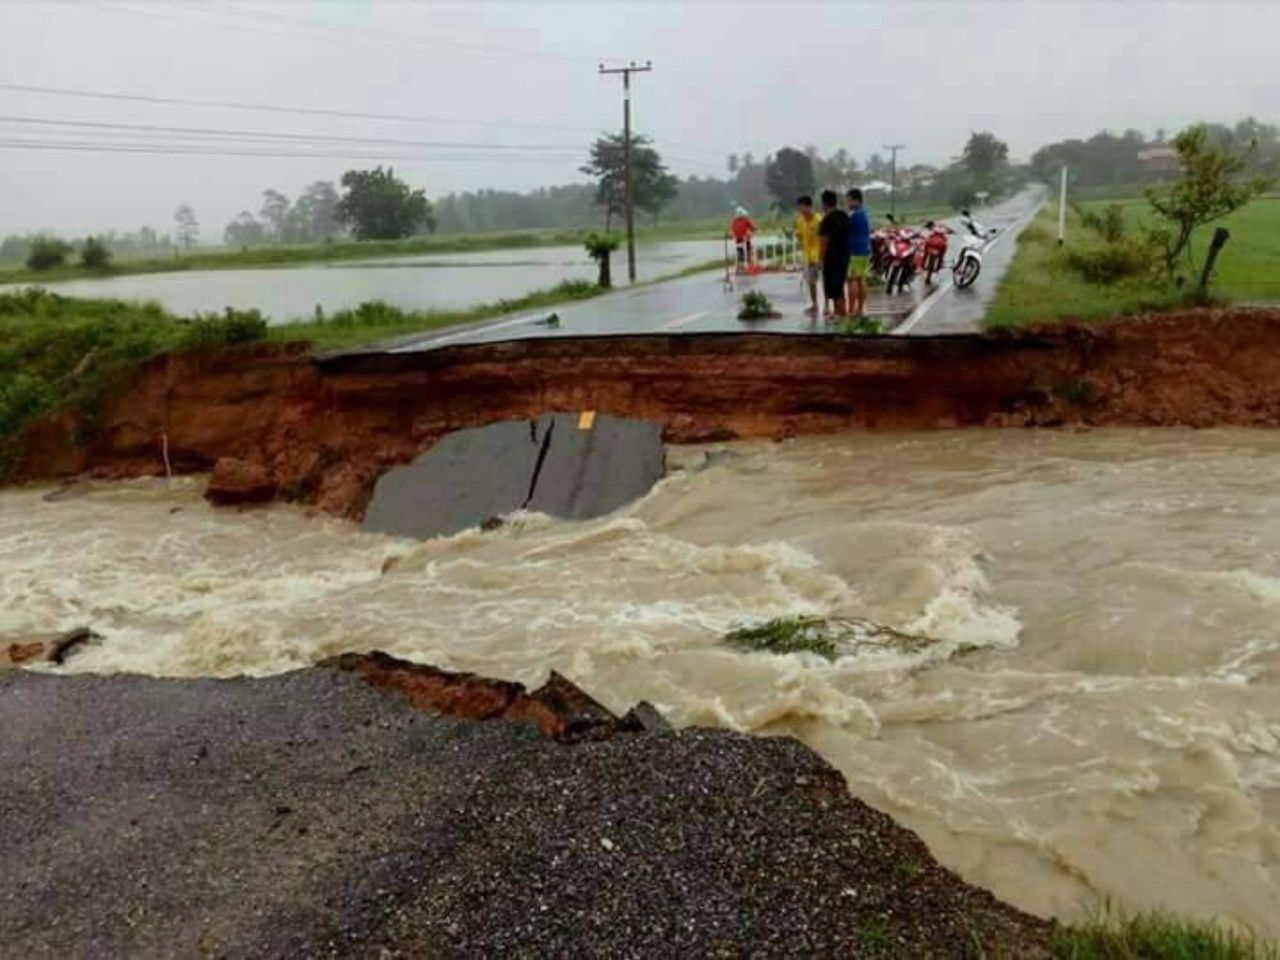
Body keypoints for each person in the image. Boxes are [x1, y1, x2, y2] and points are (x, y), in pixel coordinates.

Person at [817, 189, 850, 319]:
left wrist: (820, 259)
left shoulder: (826, 221)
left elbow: (823, 241)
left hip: (832, 258)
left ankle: (841, 315)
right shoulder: (844, 216)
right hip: (845, 255)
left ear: (824, 204)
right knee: (840, 286)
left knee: (834, 289)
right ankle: (838, 313)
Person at [845, 188, 871, 320]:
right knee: (862, 279)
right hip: (865, 250)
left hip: (854, 251)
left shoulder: (853, 215)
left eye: (848, 200)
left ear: (855, 200)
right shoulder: (866, 213)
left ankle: (851, 310)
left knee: (852, 280)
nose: (847, 203)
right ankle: (860, 309)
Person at [794, 195, 822, 315]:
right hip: (807, 256)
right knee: (811, 281)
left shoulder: (819, 220)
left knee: (824, 281)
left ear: (808, 207)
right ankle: (814, 304)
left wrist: (821, 256)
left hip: (819, 255)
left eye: (801, 207)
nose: (800, 210)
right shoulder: (800, 221)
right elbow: (799, 235)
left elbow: (823, 238)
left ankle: (826, 305)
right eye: (799, 208)